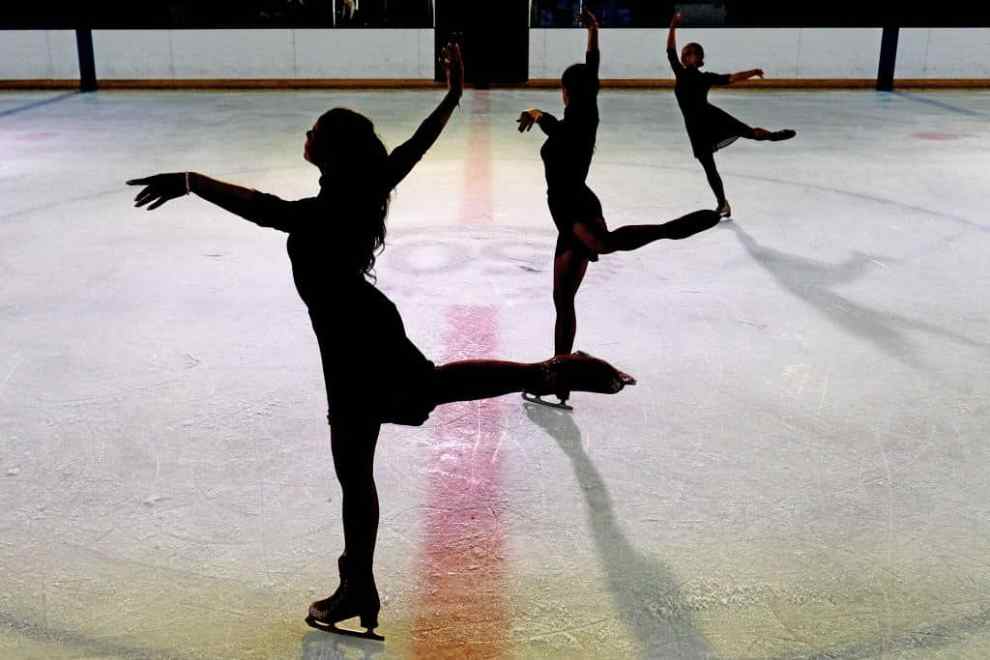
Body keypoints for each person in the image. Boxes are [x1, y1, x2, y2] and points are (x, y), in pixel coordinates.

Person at [126, 43, 633, 640]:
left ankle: (359, 583)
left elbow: (265, 210)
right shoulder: (366, 188)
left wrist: (192, 181)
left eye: (315, 131)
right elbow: (417, 144)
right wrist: (451, 95)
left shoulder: (329, 208)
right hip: (359, 331)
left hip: (353, 341)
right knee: (404, 418)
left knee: (372, 451)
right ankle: (545, 373)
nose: (306, 134)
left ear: (332, 150)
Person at [518, 9, 721, 409]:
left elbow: (563, 118)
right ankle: (560, 379)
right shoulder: (580, 113)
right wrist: (592, 33)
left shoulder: (577, 119)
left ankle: (667, 229)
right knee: (563, 300)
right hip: (568, 211)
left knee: (604, 244)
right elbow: (577, 91)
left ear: (566, 91)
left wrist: (541, 113)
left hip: (575, 206)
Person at [667, 11, 797, 218]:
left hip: (711, 118)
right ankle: (722, 204)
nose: (686, 55)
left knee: (747, 132)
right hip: (697, 127)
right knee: (709, 168)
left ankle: (772, 136)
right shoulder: (680, 72)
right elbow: (670, 50)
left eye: (690, 53)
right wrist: (673, 26)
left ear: (698, 58)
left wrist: (752, 72)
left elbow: (732, 78)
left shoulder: (705, 77)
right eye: (685, 52)